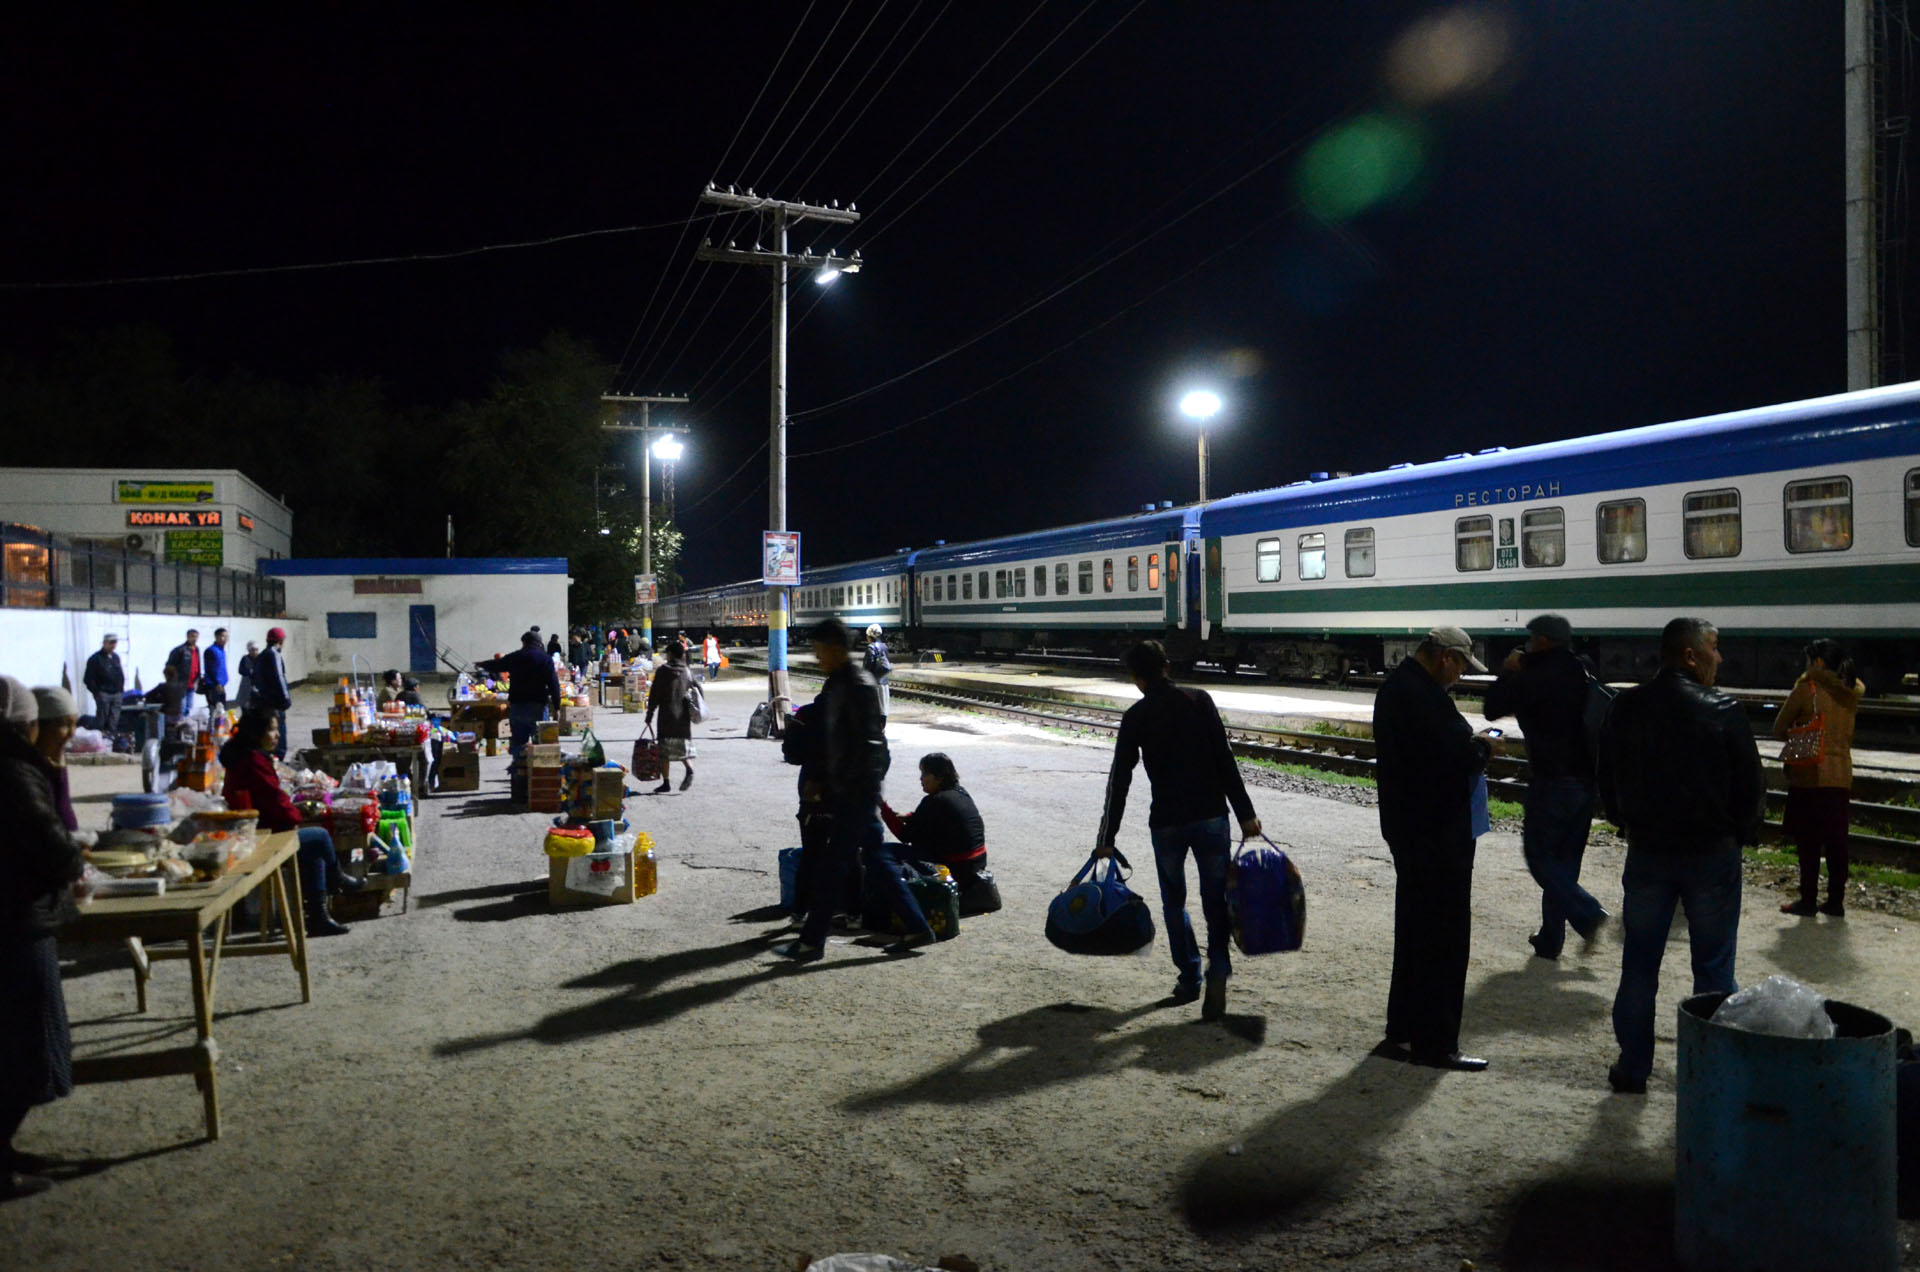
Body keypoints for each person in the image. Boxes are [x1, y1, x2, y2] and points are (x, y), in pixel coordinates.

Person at [1598, 617, 1763, 1095]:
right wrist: (1741, 835)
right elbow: (1751, 788)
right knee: (1713, 968)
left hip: (1649, 852)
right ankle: (1710, 1076)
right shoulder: (1723, 710)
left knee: (1639, 964)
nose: (1721, 658)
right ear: (1691, 655)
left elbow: (1605, 774)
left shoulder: (1625, 707)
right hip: (1711, 856)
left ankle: (1632, 1067)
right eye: (1715, 648)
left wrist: (1623, 820)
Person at [1097, 639, 1262, 1020]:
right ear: (1167, 666)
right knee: (1215, 899)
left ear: (1137, 679)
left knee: (1174, 902)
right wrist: (1246, 814)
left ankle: (1189, 976)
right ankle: (1217, 965)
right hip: (1210, 817)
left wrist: (1106, 838)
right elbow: (1224, 759)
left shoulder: (1135, 717)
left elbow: (1118, 780)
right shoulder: (1199, 700)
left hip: (1167, 824)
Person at [1373, 625, 1496, 1071]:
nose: (1461, 676)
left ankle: (1403, 1031)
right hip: (1437, 835)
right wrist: (1481, 749)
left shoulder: (1397, 689)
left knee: (1413, 934)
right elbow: (1453, 759)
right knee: (1443, 940)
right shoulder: (1422, 697)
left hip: (1409, 830)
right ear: (1445, 656)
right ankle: (1436, 1043)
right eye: (1461, 665)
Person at [776, 617, 933, 961]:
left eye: (819, 651)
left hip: (854, 790)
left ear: (834, 649)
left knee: (834, 866)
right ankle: (918, 926)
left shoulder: (856, 685)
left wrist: (851, 786)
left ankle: (810, 942)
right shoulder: (841, 683)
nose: (817, 657)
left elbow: (872, 743)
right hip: (854, 788)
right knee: (875, 859)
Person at [0, 675, 85, 1198]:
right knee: (24, 1049)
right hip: (18, 923)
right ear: (29, 726)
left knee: (19, 1045)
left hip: (17, 918)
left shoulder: (22, 769)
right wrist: (74, 860)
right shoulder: (15, 773)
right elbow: (51, 843)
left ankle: (3, 1151)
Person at [1483, 613, 1609, 959]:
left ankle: (1589, 914)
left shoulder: (1530, 676)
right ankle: (1551, 939)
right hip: (1586, 782)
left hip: (1551, 782)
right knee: (1564, 863)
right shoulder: (1583, 668)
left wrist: (1509, 670)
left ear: (1541, 641)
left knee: (1540, 858)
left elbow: (1491, 709)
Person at [220, 707, 363, 937]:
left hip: (256, 830)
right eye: (272, 730)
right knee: (320, 836)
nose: (277, 735)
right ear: (257, 732)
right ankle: (337, 881)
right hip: (258, 838)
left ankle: (319, 916)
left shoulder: (244, 756)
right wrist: (298, 815)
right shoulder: (252, 762)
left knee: (313, 849)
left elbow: (272, 800)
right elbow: (275, 801)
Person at [1773, 638, 1864, 918]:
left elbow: (1778, 728)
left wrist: (1799, 731)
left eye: (1809, 661)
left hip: (1809, 775)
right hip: (1840, 776)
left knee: (1809, 842)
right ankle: (1835, 902)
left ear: (1819, 663)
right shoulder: (1851, 692)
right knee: (1837, 842)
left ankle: (1808, 901)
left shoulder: (1806, 689)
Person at [882, 753, 988, 889]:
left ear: (939, 777)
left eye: (925, 774)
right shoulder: (960, 793)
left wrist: (883, 808)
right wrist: (908, 817)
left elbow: (904, 835)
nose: (921, 779)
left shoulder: (933, 801)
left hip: (954, 869)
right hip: (976, 866)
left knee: (883, 851)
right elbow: (932, 820)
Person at [476, 632, 563, 761]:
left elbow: (498, 664)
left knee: (518, 743)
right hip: (538, 706)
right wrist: (557, 707)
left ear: (523, 642)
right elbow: (553, 685)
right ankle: (537, 772)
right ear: (539, 644)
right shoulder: (545, 659)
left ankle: (518, 772)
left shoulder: (515, 657)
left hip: (518, 705)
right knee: (540, 743)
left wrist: (482, 664)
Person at [644, 642, 696, 793]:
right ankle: (689, 768)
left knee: (664, 750)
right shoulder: (687, 671)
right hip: (683, 717)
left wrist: (649, 714)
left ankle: (666, 783)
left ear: (671, 654)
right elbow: (698, 689)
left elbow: (654, 695)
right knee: (681, 746)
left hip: (666, 715)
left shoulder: (663, 671)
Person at [31, 688, 79, 832]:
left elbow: (69, 826)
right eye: (64, 725)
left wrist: (60, 769)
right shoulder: (23, 772)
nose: (71, 733)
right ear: (37, 727)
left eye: (74, 724)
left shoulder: (51, 765)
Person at [253, 627, 294, 759]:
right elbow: (279, 677)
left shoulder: (261, 656)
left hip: (263, 701)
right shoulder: (274, 655)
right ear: (281, 641)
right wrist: (286, 699)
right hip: (275, 703)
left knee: (266, 735)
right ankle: (278, 763)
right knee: (278, 737)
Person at [83, 632, 125, 738]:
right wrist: (97, 692)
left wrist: (120, 690)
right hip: (104, 694)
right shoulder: (95, 659)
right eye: (111, 642)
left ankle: (111, 739)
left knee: (114, 720)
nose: (113, 645)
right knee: (102, 720)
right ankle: (100, 739)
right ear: (105, 643)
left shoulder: (115, 657)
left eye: (115, 642)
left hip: (116, 694)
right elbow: (88, 678)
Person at [166, 628, 202, 722]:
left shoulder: (196, 649)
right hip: (181, 684)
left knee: (189, 708)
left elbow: (197, 665)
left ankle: (187, 727)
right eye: (192, 637)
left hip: (192, 684)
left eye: (196, 637)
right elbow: (169, 666)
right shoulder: (180, 650)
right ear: (188, 637)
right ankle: (180, 727)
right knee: (181, 708)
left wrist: (198, 678)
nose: (194, 639)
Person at [864, 624, 893, 722]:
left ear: (869, 636)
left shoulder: (871, 648)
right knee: (883, 709)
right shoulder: (884, 646)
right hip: (884, 681)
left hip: (874, 683)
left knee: (874, 708)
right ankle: (882, 728)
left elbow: (868, 666)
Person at [145, 665, 190, 730]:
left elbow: (148, 695)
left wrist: (158, 699)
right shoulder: (181, 687)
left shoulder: (163, 686)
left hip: (166, 716)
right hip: (177, 715)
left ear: (167, 675)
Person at [200, 627, 231, 717]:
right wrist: (217, 683)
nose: (224, 639)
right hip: (214, 685)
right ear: (216, 637)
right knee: (215, 710)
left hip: (221, 685)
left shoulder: (222, 650)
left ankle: (219, 729)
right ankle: (213, 729)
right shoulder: (211, 650)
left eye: (226, 636)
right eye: (222, 636)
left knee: (222, 710)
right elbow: (210, 669)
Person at [235, 640, 260, 712]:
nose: (255, 652)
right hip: (246, 685)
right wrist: (249, 671)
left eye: (256, 650)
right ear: (249, 650)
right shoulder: (245, 659)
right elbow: (240, 670)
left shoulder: (260, 659)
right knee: (245, 706)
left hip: (257, 686)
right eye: (252, 650)